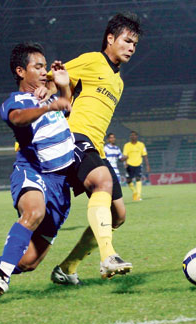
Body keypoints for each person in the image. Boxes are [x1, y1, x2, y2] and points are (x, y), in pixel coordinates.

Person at [0, 42, 75, 300]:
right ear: (20, 71)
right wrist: (48, 105)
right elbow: (17, 119)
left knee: (28, 263)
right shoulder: (14, 102)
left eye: (45, 66)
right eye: (38, 67)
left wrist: (63, 85)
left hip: (60, 184)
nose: (44, 71)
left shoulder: (47, 93)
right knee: (34, 211)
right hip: (33, 171)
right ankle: (2, 279)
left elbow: (65, 106)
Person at [49, 12, 142, 284]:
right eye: (126, 41)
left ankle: (66, 268)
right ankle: (108, 255)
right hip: (75, 138)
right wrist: (49, 91)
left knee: (119, 215)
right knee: (101, 183)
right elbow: (56, 77)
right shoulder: (92, 60)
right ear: (110, 39)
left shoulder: (119, 82)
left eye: (134, 44)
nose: (131, 48)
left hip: (96, 147)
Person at [123, 130, 151, 201]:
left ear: (137, 136)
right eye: (131, 135)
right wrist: (125, 163)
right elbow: (125, 155)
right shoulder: (127, 145)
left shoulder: (141, 145)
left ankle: (138, 196)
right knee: (128, 180)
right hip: (129, 164)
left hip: (138, 164)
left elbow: (145, 156)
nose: (133, 136)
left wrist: (148, 165)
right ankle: (134, 191)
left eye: (134, 135)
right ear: (130, 137)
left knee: (138, 178)